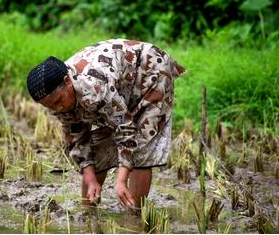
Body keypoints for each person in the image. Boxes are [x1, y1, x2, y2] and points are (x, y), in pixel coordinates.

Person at [26, 38, 185, 209]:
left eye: (59, 101)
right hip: (122, 82)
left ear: (67, 81)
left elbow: (125, 128)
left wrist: (121, 180)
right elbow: (77, 136)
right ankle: (88, 213)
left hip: (151, 72)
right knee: (95, 150)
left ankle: (135, 216)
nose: (59, 108)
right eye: (50, 106)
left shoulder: (95, 89)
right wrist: (90, 178)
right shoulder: (58, 98)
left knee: (141, 147)